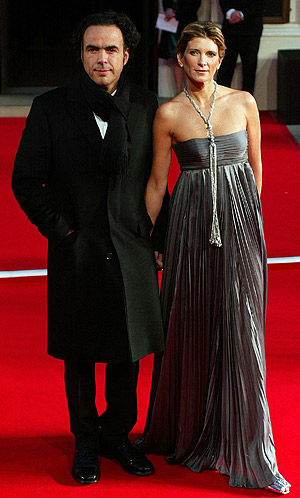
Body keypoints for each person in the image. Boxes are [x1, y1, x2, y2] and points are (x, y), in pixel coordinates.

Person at [11, 11, 167, 485]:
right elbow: (26, 180)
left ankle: (118, 436)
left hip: (132, 248)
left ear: (127, 54)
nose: (102, 58)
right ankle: (84, 443)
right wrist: (62, 232)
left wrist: (155, 239)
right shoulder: (51, 107)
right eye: (93, 49)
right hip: (75, 250)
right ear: (80, 54)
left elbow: (159, 180)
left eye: (111, 50)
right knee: (79, 355)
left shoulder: (147, 105)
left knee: (128, 350)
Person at [138, 21, 291, 494]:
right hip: (188, 229)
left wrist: (249, 228)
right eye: (193, 53)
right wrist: (149, 242)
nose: (201, 62)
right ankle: (188, 428)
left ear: (219, 59)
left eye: (209, 54)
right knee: (192, 321)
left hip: (242, 230)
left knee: (242, 326)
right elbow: (158, 184)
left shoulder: (244, 103)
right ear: (179, 59)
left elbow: (257, 173)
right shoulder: (167, 114)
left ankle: (246, 439)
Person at [217, 1, 265, 95]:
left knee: (249, 69)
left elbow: (260, 4)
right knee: (225, 69)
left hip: (251, 30)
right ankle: (220, 104)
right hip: (230, 29)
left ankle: (246, 105)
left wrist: (241, 14)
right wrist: (231, 12)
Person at [159, 1, 202, 93]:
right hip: (173, 24)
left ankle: (192, 92)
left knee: (192, 56)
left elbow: (195, 4)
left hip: (188, 21)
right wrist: (167, 8)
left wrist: (177, 13)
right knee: (176, 57)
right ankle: (178, 92)